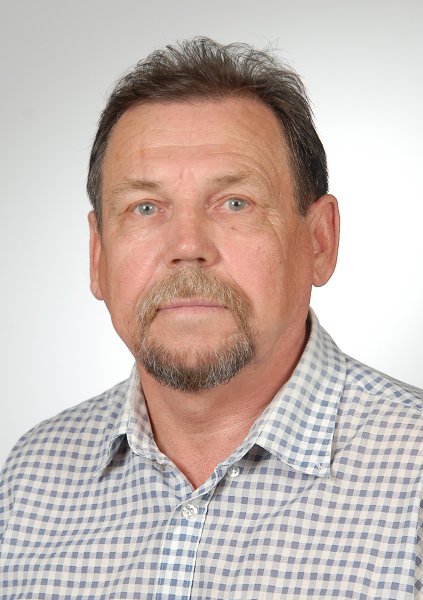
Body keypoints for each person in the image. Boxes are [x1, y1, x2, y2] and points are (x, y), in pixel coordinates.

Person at [1, 37, 422, 599]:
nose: (187, 247)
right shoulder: (28, 482)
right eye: (145, 208)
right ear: (98, 257)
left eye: (234, 203)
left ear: (319, 241)